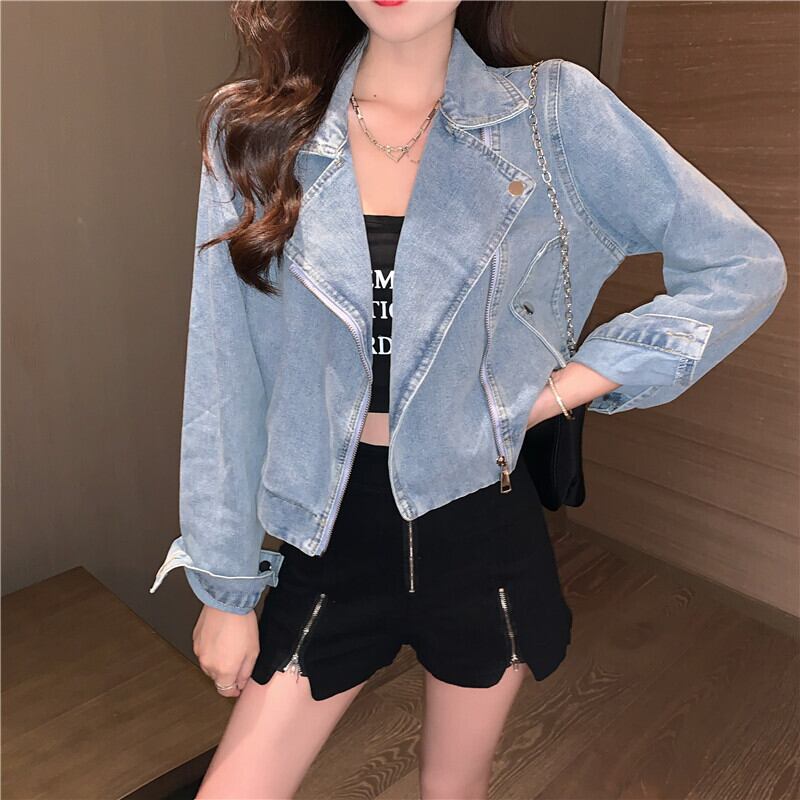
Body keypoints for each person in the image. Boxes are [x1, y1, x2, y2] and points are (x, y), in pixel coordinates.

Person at [148, 1, 788, 797]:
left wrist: (557, 392)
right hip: (330, 527)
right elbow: (224, 374)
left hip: (481, 519)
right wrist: (226, 587)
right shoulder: (252, 132)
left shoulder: (554, 115)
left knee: (453, 785)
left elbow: (740, 266)